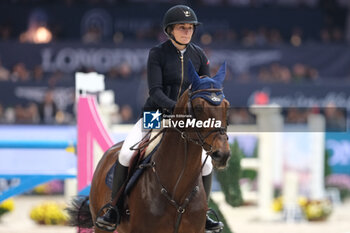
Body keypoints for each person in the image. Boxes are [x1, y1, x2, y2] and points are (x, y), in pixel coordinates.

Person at [96, 5, 224, 232]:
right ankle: (114, 209)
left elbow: (205, 88)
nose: (187, 32)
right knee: (126, 153)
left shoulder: (199, 55)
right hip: (156, 114)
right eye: (182, 28)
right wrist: (177, 111)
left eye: (190, 28)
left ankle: (204, 213)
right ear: (170, 30)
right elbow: (155, 92)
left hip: (187, 120)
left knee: (205, 165)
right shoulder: (158, 54)